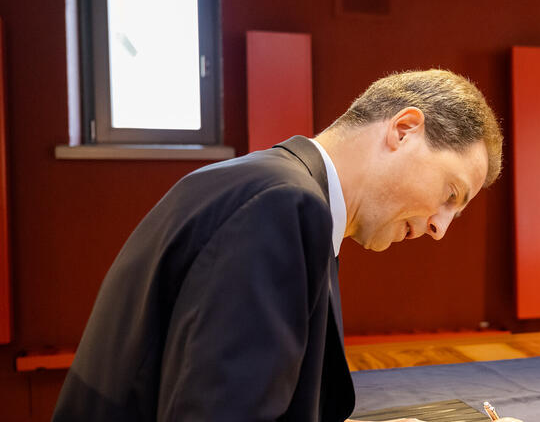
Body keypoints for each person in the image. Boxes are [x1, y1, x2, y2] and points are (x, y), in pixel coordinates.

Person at [53, 69, 515, 422]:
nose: (441, 228)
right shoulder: (281, 206)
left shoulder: (274, 186)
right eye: (451, 194)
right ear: (404, 129)